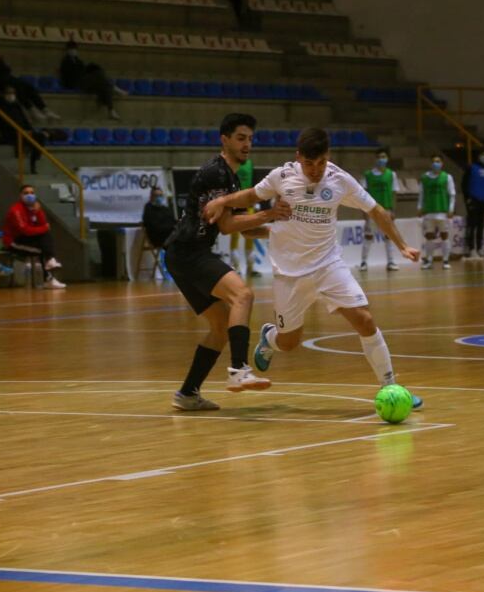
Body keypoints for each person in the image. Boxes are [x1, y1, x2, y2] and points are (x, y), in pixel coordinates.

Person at [204, 127, 424, 410]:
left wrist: (402, 246)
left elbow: (376, 211)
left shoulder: (340, 179)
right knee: (289, 342)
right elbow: (249, 196)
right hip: (289, 274)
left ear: (328, 157)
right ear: (299, 158)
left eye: (321, 163)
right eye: (309, 164)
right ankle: (270, 338)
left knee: (365, 320)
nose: (316, 170)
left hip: (328, 266)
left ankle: (390, 385)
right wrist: (222, 200)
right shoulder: (282, 176)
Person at [163, 112, 292, 411]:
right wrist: (270, 213)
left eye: (250, 139)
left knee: (221, 326)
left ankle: (187, 394)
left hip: (183, 255)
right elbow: (227, 225)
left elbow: (243, 230)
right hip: (189, 252)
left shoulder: (230, 176)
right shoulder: (217, 173)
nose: (247, 145)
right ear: (225, 140)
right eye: (240, 138)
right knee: (242, 295)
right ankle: (239, 370)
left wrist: (278, 231)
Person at [0, 33, 58, 122]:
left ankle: (44, 109)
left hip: (3, 77)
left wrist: (0, 68)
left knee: (27, 86)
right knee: (17, 87)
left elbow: (3, 67)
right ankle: (31, 109)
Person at [3, 184, 65, 289]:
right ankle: (48, 274)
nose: (29, 195)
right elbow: (25, 230)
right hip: (14, 242)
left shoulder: (34, 208)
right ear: (20, 196)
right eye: (26, 193)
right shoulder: (16, 210)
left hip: (27, 239)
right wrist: (44, 228)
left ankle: (50, 262)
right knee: (42, 249)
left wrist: (38, 211)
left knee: (45, 237)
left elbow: (43, 224)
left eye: (32, 193)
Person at [59, 40, 123, 119]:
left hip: (85, 82)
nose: (73, 51)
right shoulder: (65, 62)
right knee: (100, 77)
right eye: (71, 49)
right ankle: (114, 88)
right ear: (67, 50)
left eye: (74, 49)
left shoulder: (79, 61)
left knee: (104, 85)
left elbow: (84, 71)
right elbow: (69, 76)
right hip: (75, 84)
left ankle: (111, 110)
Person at [0, 84, 49, 174]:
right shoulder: (0, 106)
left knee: (41, 136)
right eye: (8, 93)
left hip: (23, 131)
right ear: (3, 94)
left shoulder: (17, 105)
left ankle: (34, 162)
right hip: (10, 132)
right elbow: (1, 122)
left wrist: (31, 130)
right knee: (29, 137)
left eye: (13, 93)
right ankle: (24, 153)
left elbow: (24, 120)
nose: (11, 95)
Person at [360, 148, 400, 272]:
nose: (381, 159)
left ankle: (391, 262)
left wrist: (393, 210)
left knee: (389, 236)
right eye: (379, 157)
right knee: (368, 236)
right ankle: (363, 262)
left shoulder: (391, 174)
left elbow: (394, 193)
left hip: (386, 210)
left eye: (384, 157)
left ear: (387, 159)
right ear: (375, 159)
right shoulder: (367, 175)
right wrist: (364, 211)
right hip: (372, 210)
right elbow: (363, 194)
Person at [418, 154, 456, 270]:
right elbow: (421, 194)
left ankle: (445, 260)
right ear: (431, 163)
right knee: (429, 236)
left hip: (443, 212)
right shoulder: (424, 178)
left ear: (442, 163)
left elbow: (452, 194)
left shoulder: (447, 177)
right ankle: (429, 260)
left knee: (444, 236)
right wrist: (419, 207)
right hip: (429, 212)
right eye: (434, 161)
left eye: (438, 161)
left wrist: (451, 209)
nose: (436, 163)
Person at [227, 157, 258, 277]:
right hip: (236, 205)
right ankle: (236, 268)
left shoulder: (249, 163)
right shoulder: (232, 163)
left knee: (249, 237)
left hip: (247, 205)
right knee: (237, 238)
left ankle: (249, 268)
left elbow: (254, 184)